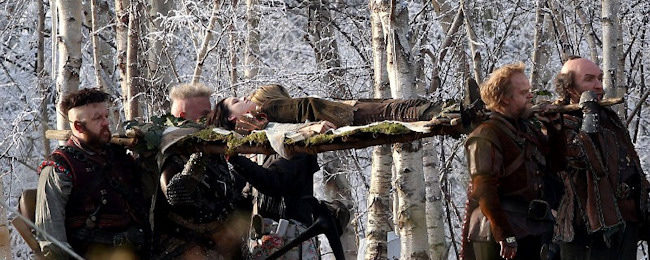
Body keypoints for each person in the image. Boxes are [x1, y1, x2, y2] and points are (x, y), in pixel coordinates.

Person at [461, 63, 566, 260]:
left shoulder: (527, 130)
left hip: (533, 228)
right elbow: (484, 189)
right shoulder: (486, 134)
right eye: (523, 92)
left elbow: (557, 167)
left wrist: (555, 130)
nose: (530, 96)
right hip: (501, 232)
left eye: (529, 91)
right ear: (504, 99)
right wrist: (504, 234)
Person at [552, 57, 649, 260]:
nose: (598, 85)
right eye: (589, 79)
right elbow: (581, 157)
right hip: (587, 232)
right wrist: (589, 117)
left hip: (624, 226)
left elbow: (630, 162)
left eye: (599, 78)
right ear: (569, 87)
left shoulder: (608, 117)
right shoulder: (557, 122)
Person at [35, 88, 149, 259]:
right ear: (78, 126)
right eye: (97, 118)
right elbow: (51, 238)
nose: (105, 123)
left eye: (105, 116)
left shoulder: (118, 156)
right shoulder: (59, 168)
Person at [153, 82, 251, 259]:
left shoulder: (208, 147)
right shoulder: (170, 150)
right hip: (185, 249)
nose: (210, 120)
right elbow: (176, 194)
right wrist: (199, 157)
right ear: (182, 117)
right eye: (204, 115)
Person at [210, 84, 466, 134]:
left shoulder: (266, 111)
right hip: (343, 114)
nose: (243, 97)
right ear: (233, 117)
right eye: (236, 101)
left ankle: (454, 109)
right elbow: (304, 107)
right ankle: (452, 112)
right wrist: (340, 115)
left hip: (342, 111)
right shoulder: (265, 111)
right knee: (397, 111)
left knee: (395, 108)